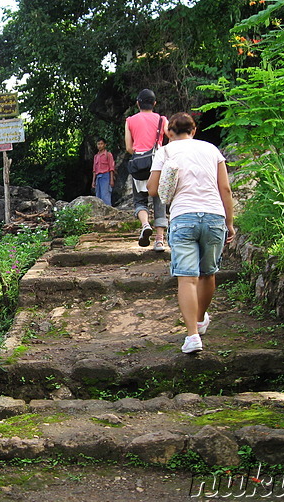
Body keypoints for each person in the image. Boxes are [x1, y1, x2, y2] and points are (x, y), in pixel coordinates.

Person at [147, 112, 236, 354]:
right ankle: (199, 319)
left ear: (169, 133)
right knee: (208, 274)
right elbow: (225, 188)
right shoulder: (211, 149)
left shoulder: (165, 151)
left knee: (187, 277)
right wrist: (229, 222)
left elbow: (153, 189)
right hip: (214, 215)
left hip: (183, 217)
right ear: (194, 131)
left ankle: (193, 336)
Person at [125, 88, 168, 252]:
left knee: (140, 201)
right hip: (158, 162)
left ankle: (145, 224)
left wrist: (140, 152)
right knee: (159, 200)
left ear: (138, 103)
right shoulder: (161, 119)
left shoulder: (130, 121)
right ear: (154, 103)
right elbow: (172, 136)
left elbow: (129, 147)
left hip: (139, 163)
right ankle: (159, 241)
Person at [91, 137, 116, 206]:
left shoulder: (108, 155)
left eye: (101, 144)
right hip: (98, 178)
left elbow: (111, 168)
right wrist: (93, 181)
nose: (100, 146)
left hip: (106, 176)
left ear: (105, 145)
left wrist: (111, 180)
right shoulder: (96, 156)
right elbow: (94, 170)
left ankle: (108, 212)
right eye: (98, 144)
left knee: (105, 195)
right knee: (98, 196)